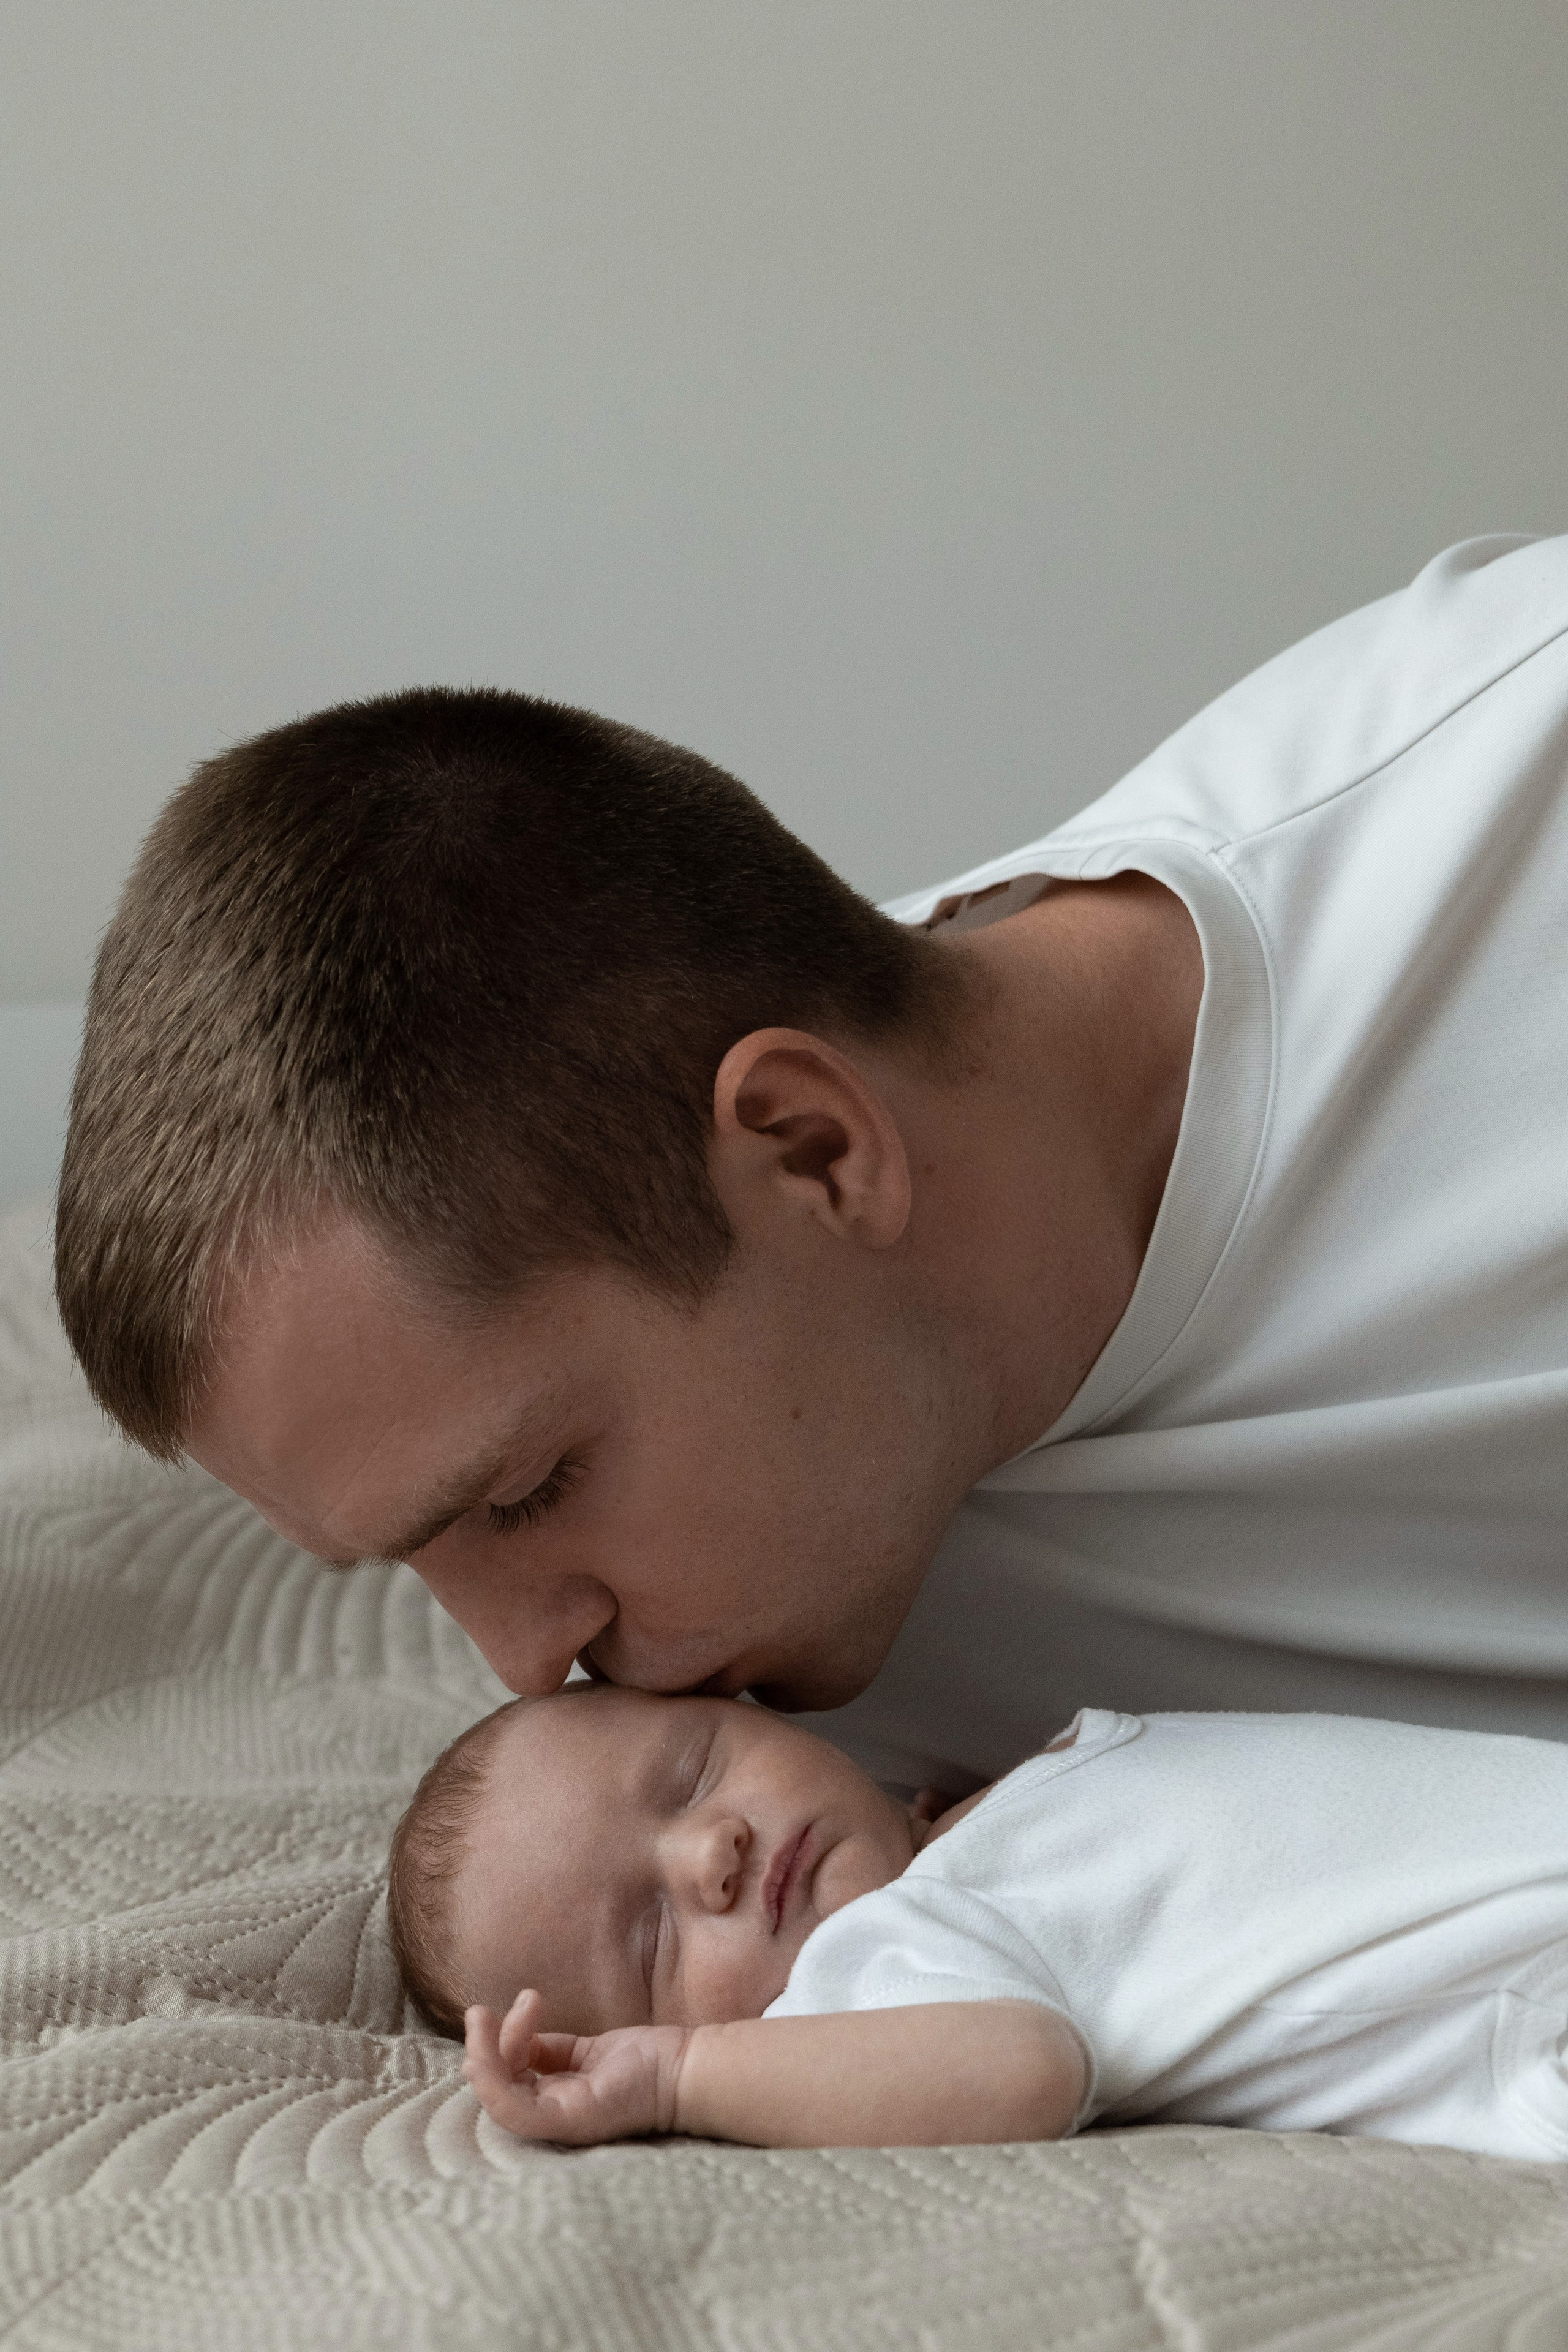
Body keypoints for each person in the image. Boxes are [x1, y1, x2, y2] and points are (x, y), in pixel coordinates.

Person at [53, 532, 1568, 1791]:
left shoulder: (1508, 819)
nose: (525, 1668)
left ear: (814, 1151)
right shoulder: (744, 1766)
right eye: (405, 1560)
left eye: (523, 1493)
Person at [388, 1683, 1568, 2158]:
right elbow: (1025, 2070)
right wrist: (681, 2078)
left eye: (695, 1769)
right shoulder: (870, 1972)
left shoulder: (961, 1836)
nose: (712, 1853)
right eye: (653, 1941)